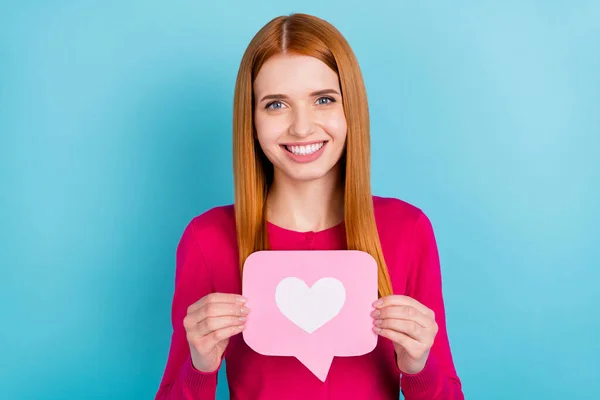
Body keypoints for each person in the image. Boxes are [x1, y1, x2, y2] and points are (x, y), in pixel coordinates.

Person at [155, 13, 463, 400]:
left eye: (323, 99)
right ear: (250, 119)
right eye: (276, 104)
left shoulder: (407, 230)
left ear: (351, 108)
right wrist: (200, 368)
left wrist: (419, 367)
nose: (302, 127)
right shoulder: (208, 238)